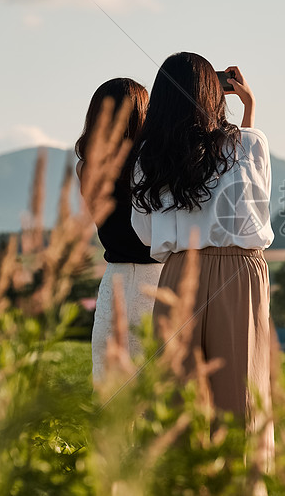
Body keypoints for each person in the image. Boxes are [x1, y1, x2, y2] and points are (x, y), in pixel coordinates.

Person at [130, 52, 274, 465]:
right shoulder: (249, 142)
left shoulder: (148, 160)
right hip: (239, 270)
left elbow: (144, 233)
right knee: (242, 397)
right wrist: (249, 110)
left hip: (179, 273)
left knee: (177, 400)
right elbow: (253, 209)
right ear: (216, 93)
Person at [74, 78, 163, 385]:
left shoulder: (86, 168)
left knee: (109, 393)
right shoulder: (153, 166)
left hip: (114, 281)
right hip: (156, 282)